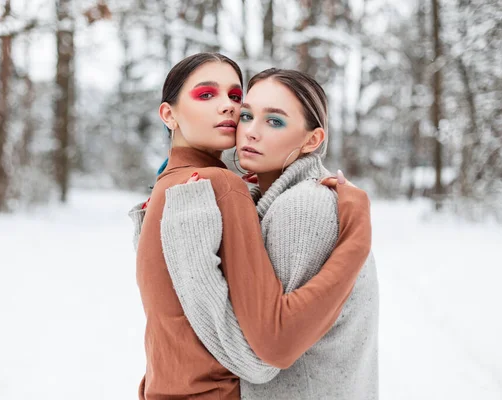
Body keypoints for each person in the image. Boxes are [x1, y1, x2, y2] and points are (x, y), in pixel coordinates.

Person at [129, 53, 371, 399]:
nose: (227, 107)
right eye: (206, 95)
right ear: (169, 114)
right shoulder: (220, 187)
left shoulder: (167, 189)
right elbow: (269, 350)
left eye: (234, 97)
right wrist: (357, 232)